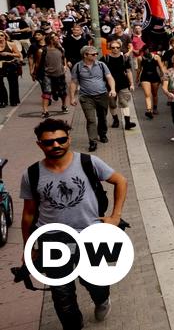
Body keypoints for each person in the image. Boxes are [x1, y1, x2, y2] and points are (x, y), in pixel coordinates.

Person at [20, 118, 128, 328]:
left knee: (96, 284)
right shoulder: (31, 174)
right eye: (49, 142)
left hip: (90, 235)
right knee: (62, 297)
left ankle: (102, 299)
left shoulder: (88, 162)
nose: (56, 145)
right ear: (39, 145)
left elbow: (120, 181)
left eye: (61, 140)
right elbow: (28, 214)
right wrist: (28, 248)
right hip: (52, 240)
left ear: (68, 139)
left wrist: (115, 216)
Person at [68, 45, 116, 152]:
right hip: (86, 97)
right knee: (91, 120)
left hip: (102, 95)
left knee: (102, 117)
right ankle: (92, 141)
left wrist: (112, 89)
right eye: (93, 54)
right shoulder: (78, 67)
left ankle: (102, 134)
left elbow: (109, 77)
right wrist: (72, 98)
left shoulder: (101, 65)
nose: (96, 56)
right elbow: (74, 82)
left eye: (96, 54)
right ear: (85, 55)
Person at [31, 31, 68, 118]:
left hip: (60, 74)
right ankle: (45, 111)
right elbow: (37, 63)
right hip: (47, 75)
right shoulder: (42, 50)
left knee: (63, 92)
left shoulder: (61, 49)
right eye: (56, 38)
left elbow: (63, 59)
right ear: (50, 40)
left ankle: (64, 105)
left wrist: (65, 66)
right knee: (46, 92)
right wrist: (34, 73)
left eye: (58, 38)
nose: (58, 40)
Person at [102, 40, 136, 131]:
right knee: (112, 104)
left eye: (117, 47)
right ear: (110, 48)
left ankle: (127, 123)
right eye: (113, 47)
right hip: (109, 85)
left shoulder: (124, 58)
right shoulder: (105, 58)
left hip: (123, 83)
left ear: (120, 48)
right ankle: (115, 120)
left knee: (124, 102)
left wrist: (132, 83)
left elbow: (128, 71)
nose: (115, 49)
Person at [136, 46, 164, 119]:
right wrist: (137, 78)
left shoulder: (156, 57)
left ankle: (155, 107)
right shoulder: (140, 58)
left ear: (151, 51)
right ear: (143, 51)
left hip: (155, 77)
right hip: (145, 77)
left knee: (154, 94)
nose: (147, 52)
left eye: (148, 50)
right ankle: (149, 110)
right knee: (147, 94)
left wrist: (163, 76)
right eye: (145, 51)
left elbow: (161, 67)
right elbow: (139, 68)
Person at [0, 31, 24, 107]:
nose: (0, 37)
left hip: (10, 64)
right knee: (0, 84)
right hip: (0, 65)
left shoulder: (11, 44)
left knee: (13, 83)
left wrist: (9, 54)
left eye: (1, 35)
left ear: (5, 36)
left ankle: (14, 100)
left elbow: (18, 54)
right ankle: (3, 101)